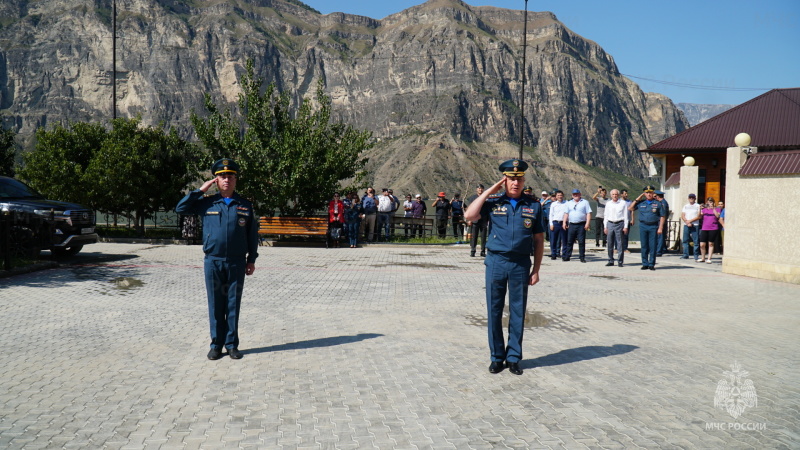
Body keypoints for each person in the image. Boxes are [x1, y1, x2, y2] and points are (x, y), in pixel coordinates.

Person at [464, 159, 544, 376]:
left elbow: (538, 240)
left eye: (518, 179)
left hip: (520, 263)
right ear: (504, 181)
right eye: (510, 179)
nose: (515, 183)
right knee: (494, 310)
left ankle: (514, 357)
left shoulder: (534, 206)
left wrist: (536, 269)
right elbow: (469, 215)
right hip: (496, 262)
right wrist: (491, 190)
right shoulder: (494, 203)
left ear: (524, 180)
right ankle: (497, 357)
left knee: (518, 312)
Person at [175, 158, 258, 360]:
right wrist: (201, 190)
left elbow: (252, 235)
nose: (226, 180)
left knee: (232, 304)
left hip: (236, 262)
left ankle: (231, 345)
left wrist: (251, 259)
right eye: (221, 176)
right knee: (215, 304)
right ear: (216, 180)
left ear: (235, 180)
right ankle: (216, 344)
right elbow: (181, 208)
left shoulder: (245, 206)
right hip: (213, 261)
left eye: (230, 176)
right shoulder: (207, 203)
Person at [629, 185, 666, 270]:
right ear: (644, 194)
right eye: (647, 193)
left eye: (650, 192)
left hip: (653, 226)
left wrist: (660, 228)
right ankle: (645, 263)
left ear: (653, 193)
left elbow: (662, 216)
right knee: (644, 245)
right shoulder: (641, 203)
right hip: (643, 226)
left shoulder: (658, 203)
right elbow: (630, 208)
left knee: (652, 246)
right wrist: (638, 198)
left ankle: (651, 264)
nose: (649, 194)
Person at [562, 189, 592, 262]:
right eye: (574, 194)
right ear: (572, 195)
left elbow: (588, 213)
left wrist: (587, 223)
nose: (575, 195)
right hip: (572, 224)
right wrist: (564, 223)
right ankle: (567, 256)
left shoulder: (585, 202)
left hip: (581, 224)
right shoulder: (569, 203)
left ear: (580, 194)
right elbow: (566, 213)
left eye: (577, 194)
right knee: (569, 241)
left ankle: (582, 257)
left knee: (581, 242)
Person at [603, 189, 629, 267]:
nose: (614, 196)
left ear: (618, 195)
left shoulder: (623, 203)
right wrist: (605, 226)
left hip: (619, 223)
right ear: (611, 195)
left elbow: (626, 216)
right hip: (610, 223)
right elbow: (606, 216)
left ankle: (620, 261)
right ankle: (610, 260)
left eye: (616, 194)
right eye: (613, 194)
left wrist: (625, 226)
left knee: (620, 243)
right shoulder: (608, 204)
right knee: (610, 243)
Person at [466, 184, 488, 257]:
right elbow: (469, 209)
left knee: (483, 236)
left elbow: (488, 209)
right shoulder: (472, 198)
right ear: (476, 189)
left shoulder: (486, 198)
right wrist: (469, 219)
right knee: (474, 236)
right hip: (475, 220)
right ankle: (473, 250)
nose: (480, 190)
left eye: (481, 188)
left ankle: (483, 251)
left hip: (484, 219)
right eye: (479, 188)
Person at [698, 197, 722, 263]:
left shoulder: (717, 209)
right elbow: (699, 216)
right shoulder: (704, 210)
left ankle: (709, 258)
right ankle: (703, 258)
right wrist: (700, 209)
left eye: (711, 202)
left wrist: (713, 209)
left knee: (711, 243)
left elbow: (717, 216)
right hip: (704, 228)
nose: (709, 203)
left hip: (713, 228)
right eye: (708, 202)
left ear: (713, 203)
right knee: (702, 244)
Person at [548, 190, 568, 260]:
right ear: (556, 196)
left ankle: (564, 254)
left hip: (563, 223)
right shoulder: (553, 204)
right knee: (553, 239)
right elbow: (551, 215)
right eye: (558, 195)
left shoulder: (566, 203)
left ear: (563, 196)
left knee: (564, 240)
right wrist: (551, 224)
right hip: (555, 223)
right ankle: (553, 254)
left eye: (561, 195)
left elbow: (568, 213)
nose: (560, 197)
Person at [680, 193, 701, 260]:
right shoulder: (686, 206)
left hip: (695, 225)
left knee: (696, 241)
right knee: (685, 240)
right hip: (686, 225)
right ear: (688, 198)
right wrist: (687, 221)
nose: (691, 199)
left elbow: (699, 216)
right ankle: (685, 254)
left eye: (692, 198)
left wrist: (690, 221)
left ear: (695, 198)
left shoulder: (698, 206)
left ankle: (696, 255)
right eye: (690, 197)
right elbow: (683, 215)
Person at [654, 190, 670, 256]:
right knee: (661, 236)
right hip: (661, 221)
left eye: (655, 196)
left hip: (661, 222)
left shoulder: (663, 203)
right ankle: (663, 248)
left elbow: (663, 214)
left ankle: (659, 251)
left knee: (660, 236)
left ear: (658, 196)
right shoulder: (662, 202)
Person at [621, 190, 633, 254]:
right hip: (620, 220)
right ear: (621, 194)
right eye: (625, 194)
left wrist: (632, 219)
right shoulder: (618, 201)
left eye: (627, 194)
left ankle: (625, 248)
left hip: (627, 220)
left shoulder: (629, 202)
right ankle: (617, 248)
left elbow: (632, 210)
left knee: (626, 235)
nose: (626, 195)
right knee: (618, 235)